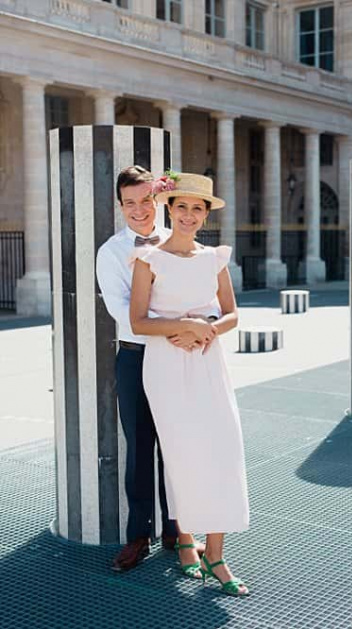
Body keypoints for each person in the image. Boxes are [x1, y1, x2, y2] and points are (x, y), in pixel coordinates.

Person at [129, 171, 250, 597]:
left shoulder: (214, 258)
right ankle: (185, 541)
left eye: (197, 208)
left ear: (205, 215)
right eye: (182, 206)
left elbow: (233, 314)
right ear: (169, 208)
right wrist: (180, 326)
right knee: (180, 455)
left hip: (207, 361)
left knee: (222, 448)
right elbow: (138, 321)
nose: (189, 215)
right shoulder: (148, 259)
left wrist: (205, 330)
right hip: (165, 366)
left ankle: (216, 552)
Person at [96, 165, 204, 573]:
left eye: (145, 200)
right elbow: (121, 313)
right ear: (119, 206)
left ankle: (179, 531)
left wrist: (193, 329)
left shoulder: (182, 240)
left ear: (157, 200)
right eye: (130, 203)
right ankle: (139, 535)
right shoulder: (110, 252)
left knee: (178, 445)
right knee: (140, 448)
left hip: (180, 356)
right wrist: (178, 326)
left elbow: (202, 293)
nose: (139, 210)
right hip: (136, 356)